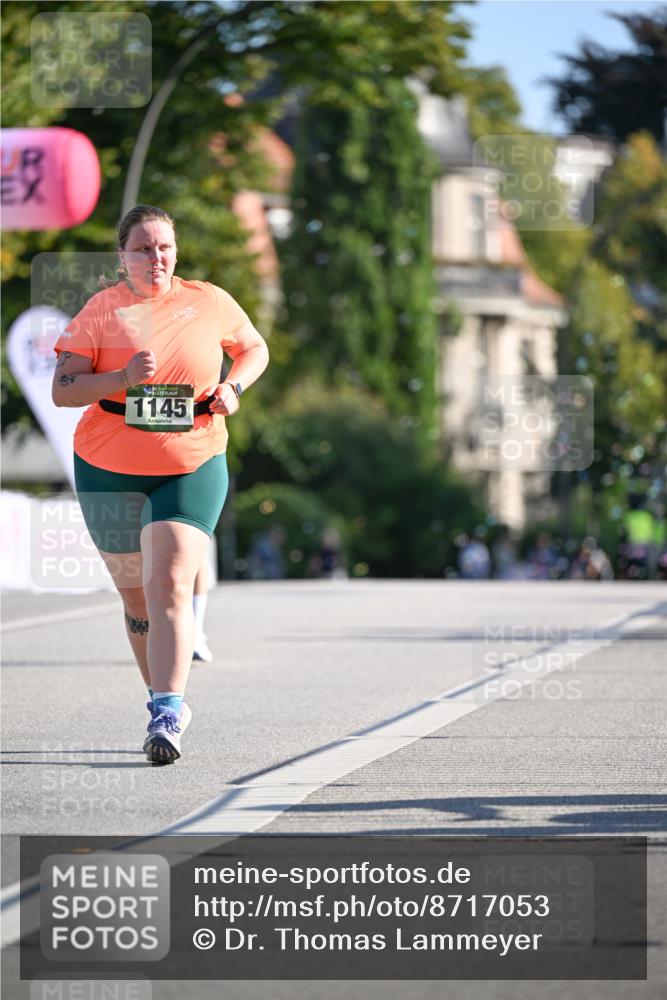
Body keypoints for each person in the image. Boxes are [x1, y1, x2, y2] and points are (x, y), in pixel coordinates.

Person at [52, 204, 269, 764]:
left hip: (192, 460)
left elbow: (254, 348)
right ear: (122, 255)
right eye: (143, 248)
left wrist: (234, 388)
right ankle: (158, 695)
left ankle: (169, 710)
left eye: (165, 247)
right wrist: (121, 378)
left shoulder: (209, 300)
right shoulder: (102, 310)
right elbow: (64, 388)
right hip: (107, 466)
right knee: (136, 599)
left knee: (168, 581)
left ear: (177, 252)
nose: (156, 257)